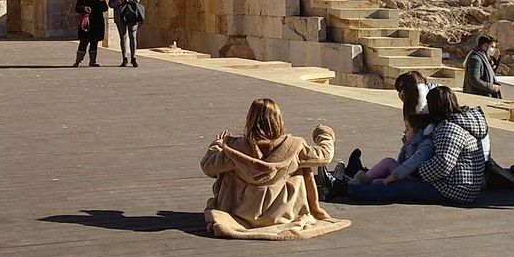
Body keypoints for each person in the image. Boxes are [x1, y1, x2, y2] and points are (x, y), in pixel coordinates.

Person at [200, 98, 349, 240]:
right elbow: (325, 155)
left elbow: (208, 166)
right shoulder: (294, 147)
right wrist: (324, 134)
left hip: (240, 214)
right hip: (282, 215)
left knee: (227, 170)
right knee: (301, 166)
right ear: (278, 120)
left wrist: (217, 145)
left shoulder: (234, 149)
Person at [321, 86, 488, 205]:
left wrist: (413, 172)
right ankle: (356, 176)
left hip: (455, 189)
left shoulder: (450, 129)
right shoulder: (458, 122)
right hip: (461, 184)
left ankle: (342, 188)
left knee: (395, 188)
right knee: (390, 177)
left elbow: (442, 166)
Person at [346, 112, 436, 186]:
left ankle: (357, 182)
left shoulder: (424, 144)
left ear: (417, 131)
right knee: (375, 182)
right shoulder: (415, 142)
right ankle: (357, 176)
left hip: (410, 177)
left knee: (388, 162)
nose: (405, 132)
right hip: (406, 175)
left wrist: (395, 175)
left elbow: (412, 163)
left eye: (407, 129)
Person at [108, 0, 141, 68]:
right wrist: (118, 1)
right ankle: (125, 58)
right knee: (123, 37)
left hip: (130, 13)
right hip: (119, 15)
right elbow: (110, 4)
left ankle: (134, 58)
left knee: (133, 36)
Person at [73, 0, 108, 68]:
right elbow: (77, 8)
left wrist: (103, 1)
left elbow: (105, 8)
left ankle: (93, 61)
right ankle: (78, 61)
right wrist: (84, 8)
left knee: (94, 42)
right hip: (86, 23)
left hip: (97, 22)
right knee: (83, 42)